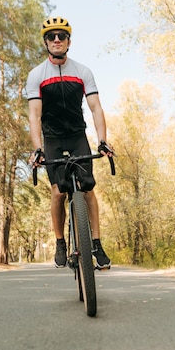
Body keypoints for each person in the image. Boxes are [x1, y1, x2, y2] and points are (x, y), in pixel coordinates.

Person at [26, 17, 114, 269]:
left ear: (68, 42)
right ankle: (60, 242)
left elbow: (96, 108)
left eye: (61, 36)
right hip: (52, 138)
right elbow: (34, 115)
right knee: (57, 191)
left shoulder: (83, 71)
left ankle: (95, 244)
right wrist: (37, 148)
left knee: (87, 189)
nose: (56, 40)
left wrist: (103, 140)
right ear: (45, 41)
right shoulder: (37, 75)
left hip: (77, 137)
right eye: (51, 36)